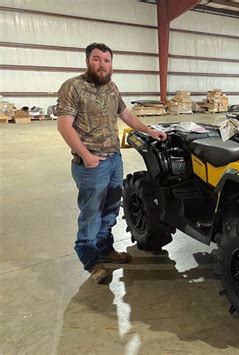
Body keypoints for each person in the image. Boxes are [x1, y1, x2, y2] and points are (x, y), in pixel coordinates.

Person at [57, 43, 167, 283]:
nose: (102, 65)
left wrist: (149, 130)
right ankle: (90, 259)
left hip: (114, 159)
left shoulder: (111, 87)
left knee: (109, 209)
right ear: (88, 61)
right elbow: (64, 125)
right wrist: (86, 156)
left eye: (107, 60)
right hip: (91, 164)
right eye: (97, 59)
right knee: (91, 212)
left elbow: (125, 115)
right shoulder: (73, 87)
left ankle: (105, 249)